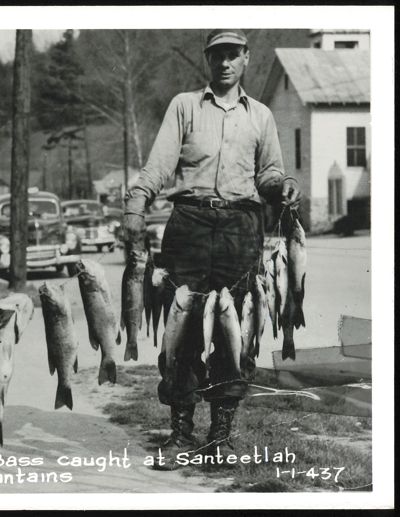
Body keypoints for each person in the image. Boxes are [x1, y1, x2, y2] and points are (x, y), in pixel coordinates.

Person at [123, 29, 301, 470]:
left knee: (235, 330)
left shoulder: (261, 115)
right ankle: (180, 433)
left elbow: (269, 172)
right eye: (217, 55)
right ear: (208, 59)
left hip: (242, 227)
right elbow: (159, 164)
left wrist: (282, 186)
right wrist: (135, 205)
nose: (224, 63)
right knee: (182, 329)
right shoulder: (184, 106)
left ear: (246, 59)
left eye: (232, 55)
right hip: (190, 224)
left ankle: (220, 436)